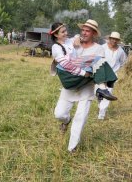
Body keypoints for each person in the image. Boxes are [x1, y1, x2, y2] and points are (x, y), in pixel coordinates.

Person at [53, 19, 116, 152]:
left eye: (88, 31)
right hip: (70, 87)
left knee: (80, 118)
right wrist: (75, 41)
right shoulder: (73, 42)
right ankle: (65, 121)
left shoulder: (99, 49)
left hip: (86, 86)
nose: (84, 33)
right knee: (59, 114)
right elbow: (63, 49)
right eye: (83, 30)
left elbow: (96, 68)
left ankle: (72, 148)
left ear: (94, 33)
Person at [97, 32, 127, 120]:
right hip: (101, 73)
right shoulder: (102, 47)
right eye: (112, 39)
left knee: (108, 94)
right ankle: (100, 107)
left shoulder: (120, 51)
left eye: (116, 39)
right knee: (99, 93)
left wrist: (117, 69)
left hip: (112, 75)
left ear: (118, 41)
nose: (114, 41)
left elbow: (123, 62)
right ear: (109, 39)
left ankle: (101, 115)